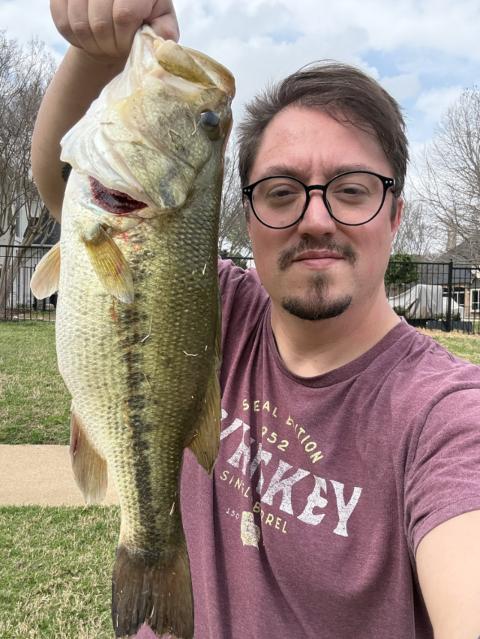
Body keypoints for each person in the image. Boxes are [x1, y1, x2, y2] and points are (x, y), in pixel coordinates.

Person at [32, 2, 480, 638]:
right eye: (281, 192)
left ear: (395, 215)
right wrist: (95, 49)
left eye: (352, 189)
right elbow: (61, 182)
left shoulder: (447, 417)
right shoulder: (212, 307)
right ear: (249, 219)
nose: (316, 219)